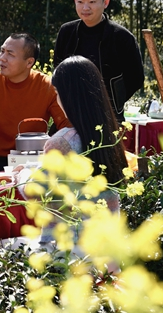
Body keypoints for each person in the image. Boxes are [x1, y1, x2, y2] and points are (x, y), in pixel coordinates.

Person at [0, 33, 70, 172]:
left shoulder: (46, 85)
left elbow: (66, 127)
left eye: (10, 54)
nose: (2, 58)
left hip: (34, 161)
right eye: (2, 51)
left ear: (29, 62)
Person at [53, 0, 144, 121]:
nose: (85, 8)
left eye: (92, 2)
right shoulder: (67, 32)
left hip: (109, 117)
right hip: (70, 114)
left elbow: (136, 79)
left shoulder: (122, 37)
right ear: (75, 1)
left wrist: (111, 103)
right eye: (80, 2)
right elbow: (58, 71)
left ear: (105, 2)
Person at [45, 56, 128, 212]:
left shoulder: (62, 141)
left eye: (57, 92)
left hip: (68, 234)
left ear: (70, 96)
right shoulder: (109, 137)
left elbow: (39, 192)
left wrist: (22, 174)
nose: (56, 99)